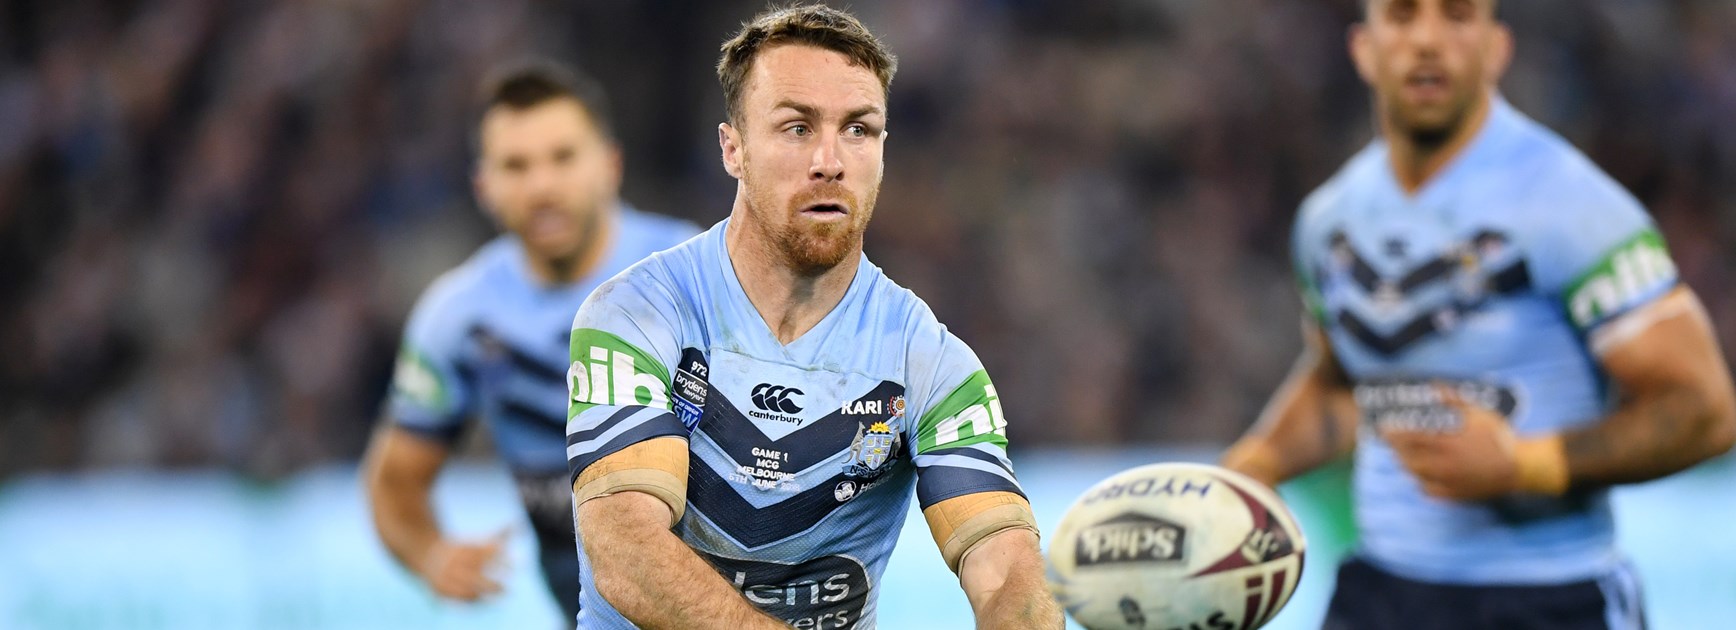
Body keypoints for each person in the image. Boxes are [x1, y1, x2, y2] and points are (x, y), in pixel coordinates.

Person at [1220, 1, 1736, 628]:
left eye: (1458, 15)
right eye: (1402, 16)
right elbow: (1343, 388)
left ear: (1497, 49)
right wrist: (1257, 464)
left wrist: (1526, 464)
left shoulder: (1573, 205)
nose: (1428, 41)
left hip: (1549, 598)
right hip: (1379, 595)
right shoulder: (1330, 220)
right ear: (1363, 50)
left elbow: (1705, 411)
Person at [559, 5, 1063, 629]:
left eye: (858, 129)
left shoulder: (931, 364)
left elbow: (1007, 571)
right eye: (797, 127)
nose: (830, 160)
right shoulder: (638, 315)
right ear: (733, 149)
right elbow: (627, 554)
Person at [361, 61, 699, 625]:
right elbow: (395, 480)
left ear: (610, 165)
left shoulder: (692, 277)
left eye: (562, 158)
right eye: (516, 166)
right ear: (484, 186)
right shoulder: (461, 317)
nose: (542, 187)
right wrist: (430, 553)